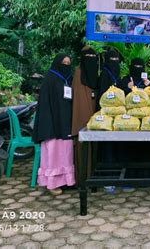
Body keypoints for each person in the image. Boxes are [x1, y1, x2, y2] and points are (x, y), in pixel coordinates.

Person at [32, 54, 75, 195]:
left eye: (69, 63)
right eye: (64, 62)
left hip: (66, 123)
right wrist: (49, 124)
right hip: (53, 125)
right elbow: (45, 105)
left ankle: (66, 181)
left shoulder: (69, 79)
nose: (66, 65)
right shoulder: (50, 79)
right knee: (54, 153)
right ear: (57, 63)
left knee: (66, 153)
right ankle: (52, 184)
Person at [117, 58, 150, 179]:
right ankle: (130, 177)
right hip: (130, 121)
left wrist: (149, 86)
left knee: (146, 147)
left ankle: (147, 176)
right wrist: (127, 88)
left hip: (146, 121)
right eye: (135, 66)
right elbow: (118, 99)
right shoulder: (125, 80)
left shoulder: (148, 81)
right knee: (130, 147)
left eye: (140, 67)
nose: (138, 69)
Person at [71, 46, 99, 183]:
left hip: (94, 115)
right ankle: (83, 178)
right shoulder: (78, 74)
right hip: (83, 117)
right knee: (84, 146)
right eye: (88, 58)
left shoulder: (94, 74)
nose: (91, 61)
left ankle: (93, 175)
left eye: (94, 58)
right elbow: (78, 102)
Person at [96, 48, 122, 169]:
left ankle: (117, 172)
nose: (115, 62)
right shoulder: (104, 75)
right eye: (112, 59)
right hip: (106, 116)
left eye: (117, 59)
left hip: (118, 116)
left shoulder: (117, 74)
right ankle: (107, 174)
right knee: (107, 145)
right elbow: (101, 97)